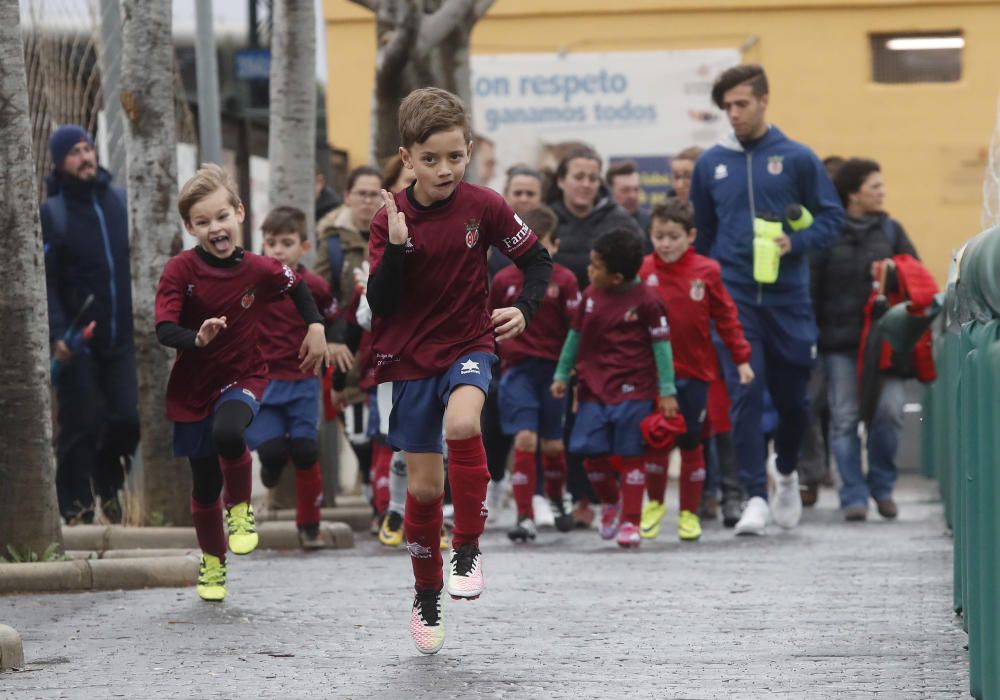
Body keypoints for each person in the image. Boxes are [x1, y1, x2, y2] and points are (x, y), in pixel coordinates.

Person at [366, 87, 552, 654]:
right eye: (430, 159)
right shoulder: (388, 218)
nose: (444, 169)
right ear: (407, 158)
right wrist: (397, 249)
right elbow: (381, 302)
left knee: (465, 424)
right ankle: (427, 593)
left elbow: (537, 260)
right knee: (423, 489)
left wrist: (524, 307)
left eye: (455, 156)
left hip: (470, 342)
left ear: (468, 150)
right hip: (409, 357)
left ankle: (468, 546)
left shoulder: (486, 206)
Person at [155, 164, 330, 602]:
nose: (215, 227)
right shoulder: (180, 271)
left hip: (243, 377)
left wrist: (316, 326)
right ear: (190, 228)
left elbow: (298, 285)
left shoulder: (259, 268)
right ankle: (213, 562)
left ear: (239, 213)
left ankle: (241, 510)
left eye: (221, 216)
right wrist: (195, 338)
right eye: (202, 221)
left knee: (229, 431)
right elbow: (163, 328)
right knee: (203, 485)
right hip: (194, 386)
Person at [689, 64, 843, 536]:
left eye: (741, 104)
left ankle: (788, 470)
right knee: (745, 393)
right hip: (735, 301)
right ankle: (755, 494)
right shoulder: (710, 164)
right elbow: (703, 238)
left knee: (795, 401)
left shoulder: (797, 158)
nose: (733, 114)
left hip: (789, 300)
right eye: (727, 107)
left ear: (763, 101)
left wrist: (793, 244)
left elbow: (832, 219)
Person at [552, 229, 677, 549]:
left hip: (635, 390)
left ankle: (631, 522)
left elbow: (662, 347)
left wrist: (667, 390)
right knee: (589, 452)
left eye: (596, 266)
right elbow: (574, 337)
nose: (589, 270)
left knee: (632, 454)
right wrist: (563, 373)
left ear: (618, 277)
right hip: (593, 389)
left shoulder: (648, 301)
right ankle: (610, 503)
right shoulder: (590, 296)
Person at [638, 199, 753, 541]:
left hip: (696, 374)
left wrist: (742, 358)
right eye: (659, 236)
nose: (666, 244)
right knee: (656, 442)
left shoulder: (707, 271)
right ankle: (655, 504)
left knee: (691, 443)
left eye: (673, 236)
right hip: (654, 376)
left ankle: (689, 512)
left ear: (690, 236)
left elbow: (727, 316)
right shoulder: (643, 272)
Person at [42, 124, 139, 525]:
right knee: (80, 425)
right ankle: (75, 509)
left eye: (88, 148)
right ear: (60, 162)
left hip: (120, 336)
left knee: (126, 419)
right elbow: (46, 280)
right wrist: (58, 334)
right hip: (76, 339)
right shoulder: (54, 213)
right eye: (74, 152)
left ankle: (108, 482)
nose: (85, 157)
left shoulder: (117, 201)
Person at [813, 158, 919, 520]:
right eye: (874, 186)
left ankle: (882, 486)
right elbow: (812, 289)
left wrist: (896, 274)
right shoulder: (827, 233)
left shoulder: (891, 232)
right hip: (838, 344)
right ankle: (853, 496)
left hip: (885, 343)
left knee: (889, 414)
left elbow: (917, 278)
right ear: (853, 193)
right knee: (844, 419)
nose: (882, 192)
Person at [548, 146, 644, 526]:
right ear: (561, 181)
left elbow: (639, 274)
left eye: (592, 178)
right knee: (567, 424)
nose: (586, 185)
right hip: (555, 336)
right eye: (578, 177)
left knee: (609, 418)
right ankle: (575, 496)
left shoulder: (619, 221)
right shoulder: (548, 221)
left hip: (610, 340)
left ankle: (608, 494)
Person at [244, 206, 343, 548]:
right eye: (270, 242)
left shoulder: (313, 286)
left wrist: (336, 342)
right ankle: (270, 467)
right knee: (272, 452)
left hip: (303, 381)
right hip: (263, 382)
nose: (277, 250)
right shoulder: (252, 283)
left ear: (304, 247)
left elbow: (335, 317)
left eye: (286, 242)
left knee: (304, 450)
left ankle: (309, 527)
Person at [490, 205, 580, 542]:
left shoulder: (565, 281)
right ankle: (524, 515)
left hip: (555, 373)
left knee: (553, 445)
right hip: (517, 372)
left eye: (540, 243)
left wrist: (574, 377)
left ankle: (557, 496)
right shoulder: (503, 281)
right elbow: (489, 326)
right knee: (525, 439)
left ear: (554, 245)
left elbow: (576, 330)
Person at [606, 160, 650, 232]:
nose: (633, 196)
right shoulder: (598, 224)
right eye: (625, 190)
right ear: (610, 191)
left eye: (636, 189)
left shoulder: (650, 224)